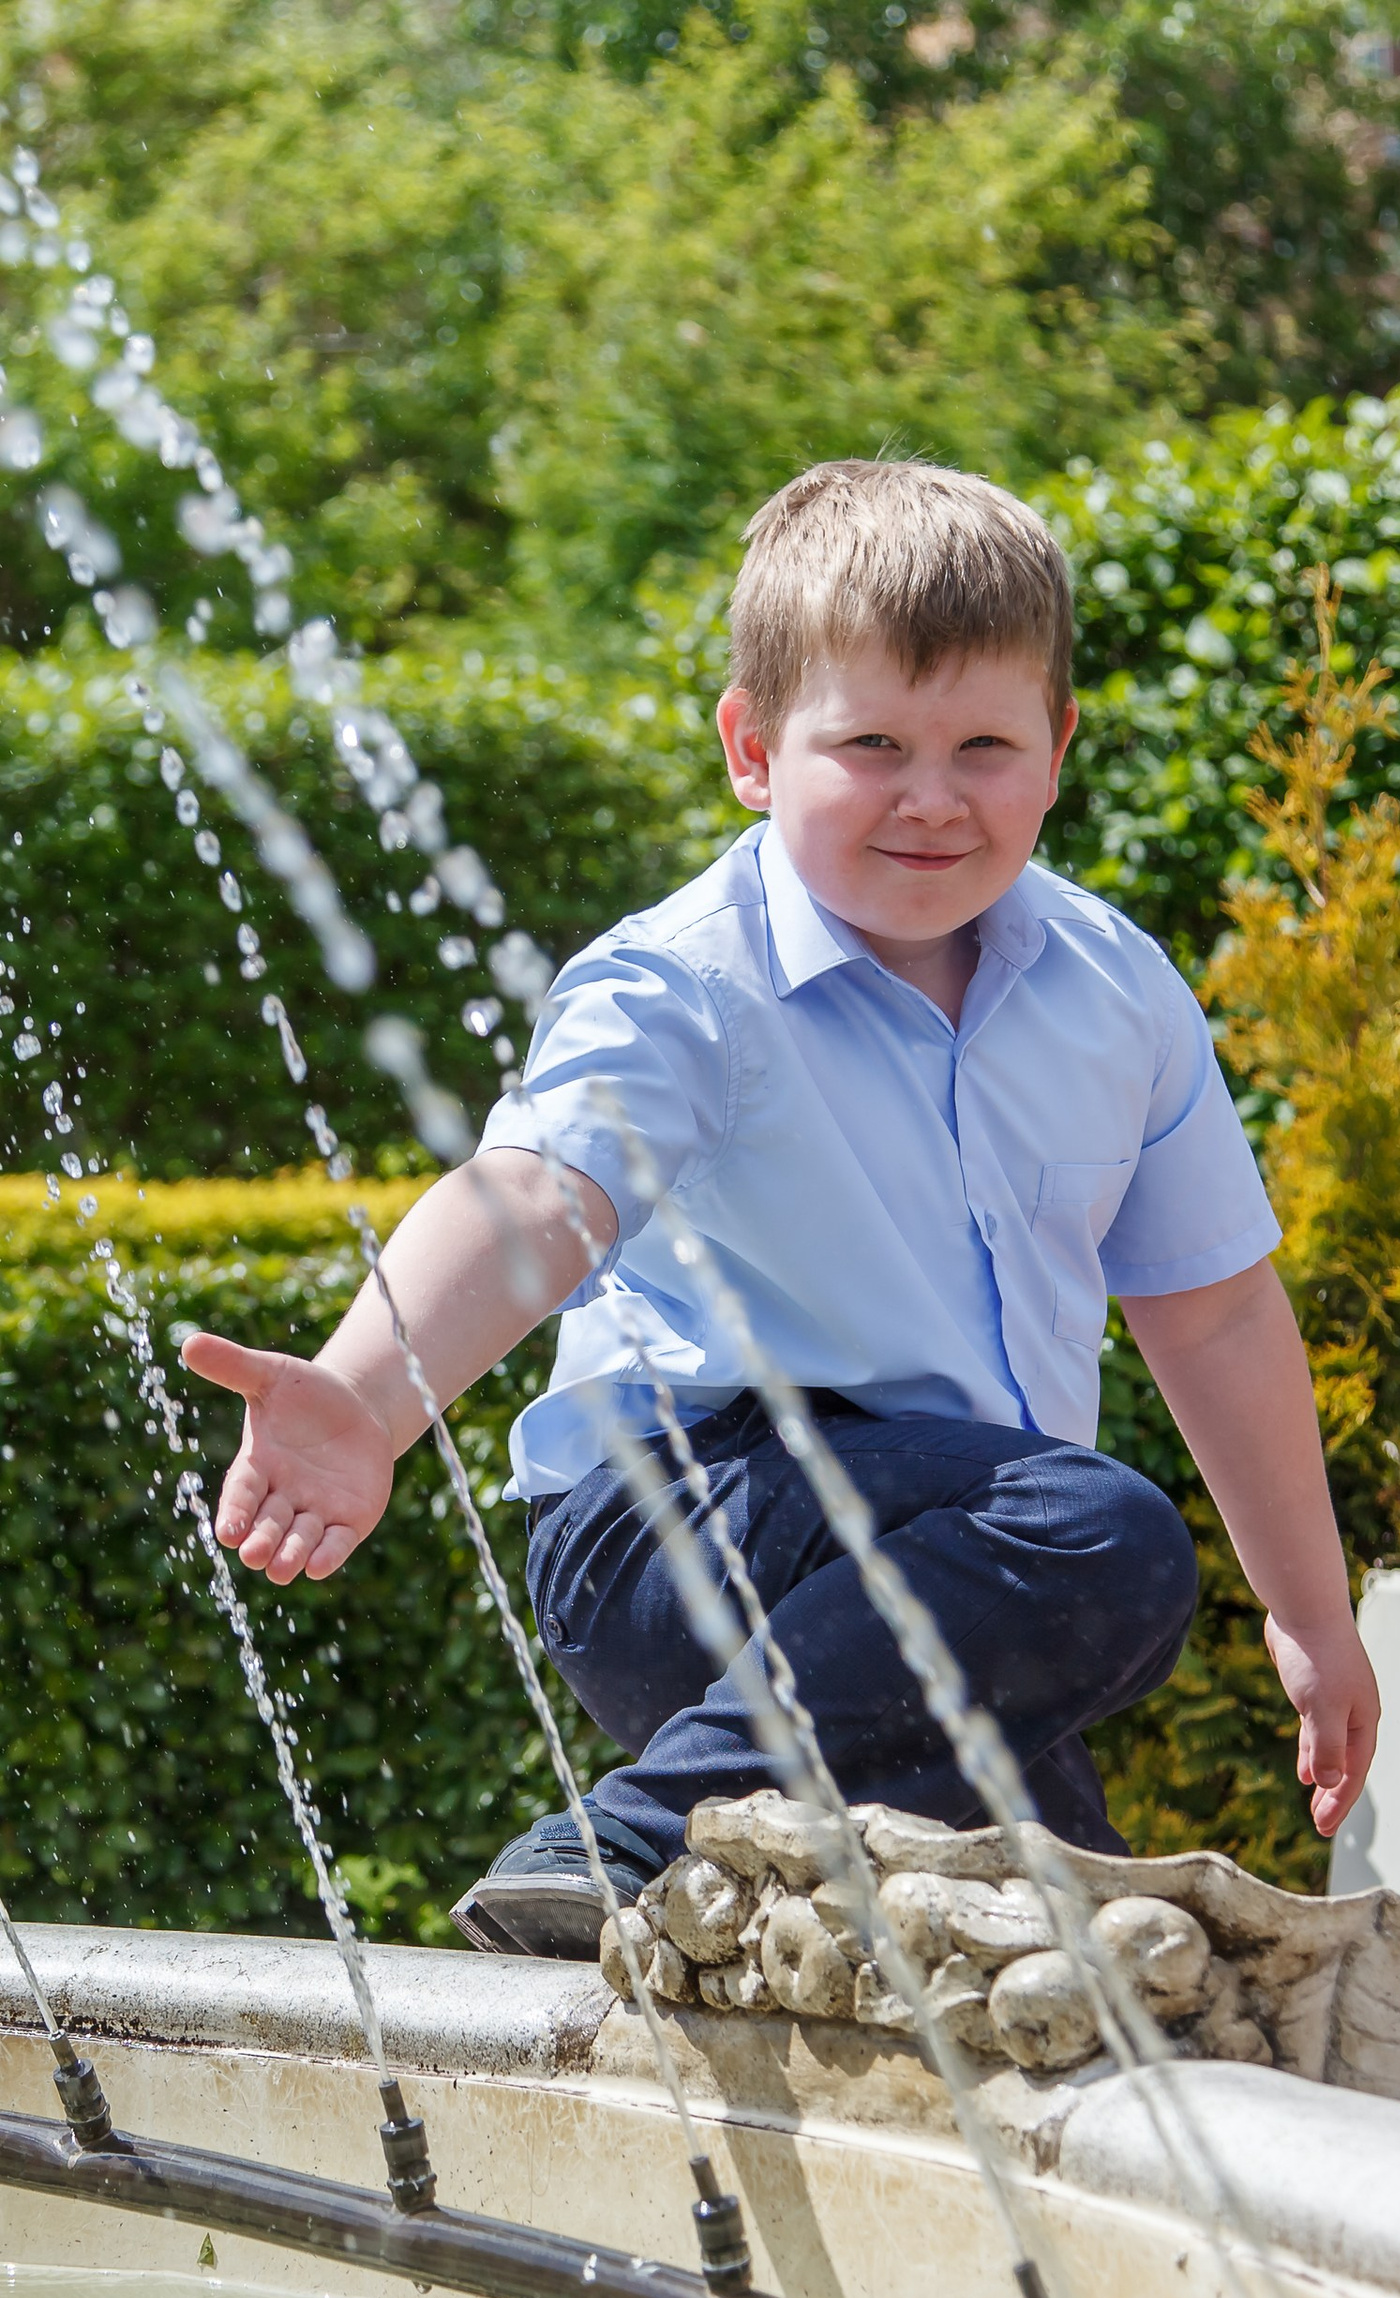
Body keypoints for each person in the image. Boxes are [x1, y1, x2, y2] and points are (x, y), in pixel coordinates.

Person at [182, 458, 1382, 1959]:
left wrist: (1313, 1619)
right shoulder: (687, 979)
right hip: (676, 1533)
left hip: (930, 1591)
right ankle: (626, 1831)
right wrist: (367, 1395)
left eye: (984, 745)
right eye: (871, 742)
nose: (933, 797)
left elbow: (1208, 1311)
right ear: (753, 750)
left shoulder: (1114, 989)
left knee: (1077, 1926)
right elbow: (541, 1192)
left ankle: (716, 1946)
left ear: (1060, 749)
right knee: (1109, 1538)